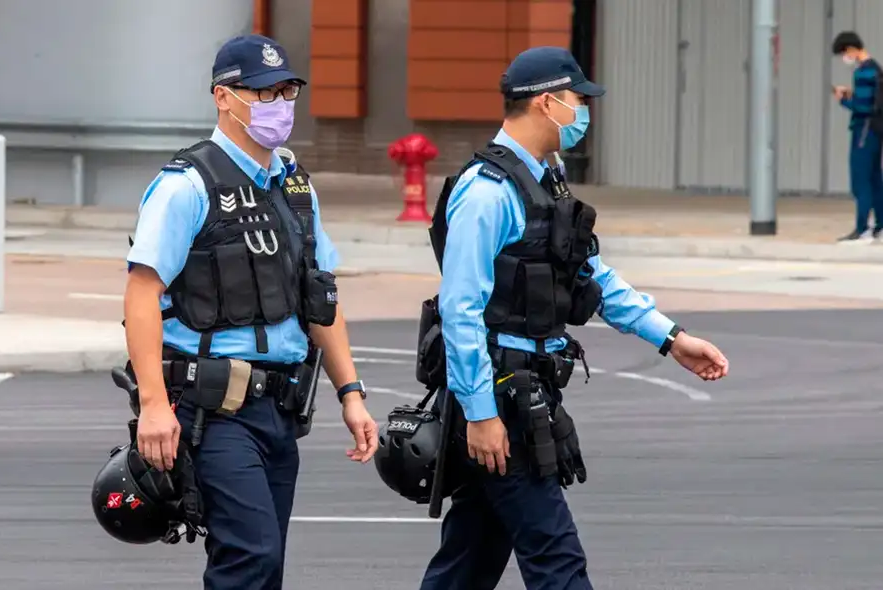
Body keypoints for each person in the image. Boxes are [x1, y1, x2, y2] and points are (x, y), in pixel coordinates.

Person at [417, 46, 730, 590]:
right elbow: (460, 311)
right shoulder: (487, 193)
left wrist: (670, 337)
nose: (584, 112)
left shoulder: (547, 179)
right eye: (578, 100)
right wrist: (481, 414)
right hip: (502, 396)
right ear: (545, 103)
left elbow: (592, 274)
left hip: (527, 388)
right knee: (557, 562)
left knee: (468, 561)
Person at [123, 33, 378, 590]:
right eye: (262, 93)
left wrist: (351, 395)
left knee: (265, 565)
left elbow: (321, 299)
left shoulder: (294, 186)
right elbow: (141, 294)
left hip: (279, 410)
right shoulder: (187, 185)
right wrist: (152, 406)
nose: (279, 104)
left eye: (286, 90)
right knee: (250, 557)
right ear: (223, 96)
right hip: (214, 412)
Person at [831, 30, 883, 244]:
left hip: (863, 130)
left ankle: (862, 229)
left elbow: (862, 107)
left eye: (844, 53)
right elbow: (872, 100)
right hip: (876, 131)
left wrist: (842, 100)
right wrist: (852, 94)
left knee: (860, 181)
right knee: (875, 179)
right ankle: (879, 226)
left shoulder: (862, 72)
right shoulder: (876, 68)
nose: (845, 58)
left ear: (851, 49)